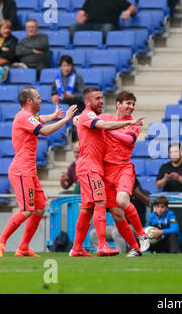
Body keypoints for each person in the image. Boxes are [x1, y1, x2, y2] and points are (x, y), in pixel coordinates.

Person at [0, 88, 78, 257]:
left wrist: (53, 117)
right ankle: (0, 241)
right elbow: (44, 130)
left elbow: (40, 120)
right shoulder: (24, 117)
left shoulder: (27, 117)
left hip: (29, 171)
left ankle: (23, 247)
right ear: (29, 101)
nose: (41, 100)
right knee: (26, 209)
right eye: (38, 98)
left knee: (39, 208)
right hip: (21, 170)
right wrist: (67, 119)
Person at [68, 87, 144, 257]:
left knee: (91, 208)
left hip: (108, 168)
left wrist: (77, 120)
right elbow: (102, 125)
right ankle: (102, 245)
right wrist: (128, 123)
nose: (102, 101)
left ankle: (77, 248)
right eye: (98, 98)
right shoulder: (95, 116)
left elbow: (127, 138)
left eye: (102, 98)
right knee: (100, 202)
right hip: (91, 167)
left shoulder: (95, 117)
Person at [99, 91, 150, 257]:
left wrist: (105, 129)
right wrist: (78, 119)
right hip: (106, 170)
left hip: (123, 168)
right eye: (128, 103)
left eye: (133, 104)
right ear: (118, 104)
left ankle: (142, 234)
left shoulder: (134, 123)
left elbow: (128, 140)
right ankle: (135, 248)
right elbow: (89, 119)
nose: (131, 107)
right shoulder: (106, 118)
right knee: (116, 213)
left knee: (122, 200)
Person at [69, 0, 137, 43]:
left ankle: (103, 47)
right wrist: (81, 19)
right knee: (73, 27)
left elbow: (133, 8)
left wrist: (128, 12)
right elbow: (80, 14)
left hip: (106, 26)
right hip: (90, 25)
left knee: (107, 28)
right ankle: (74, 45)